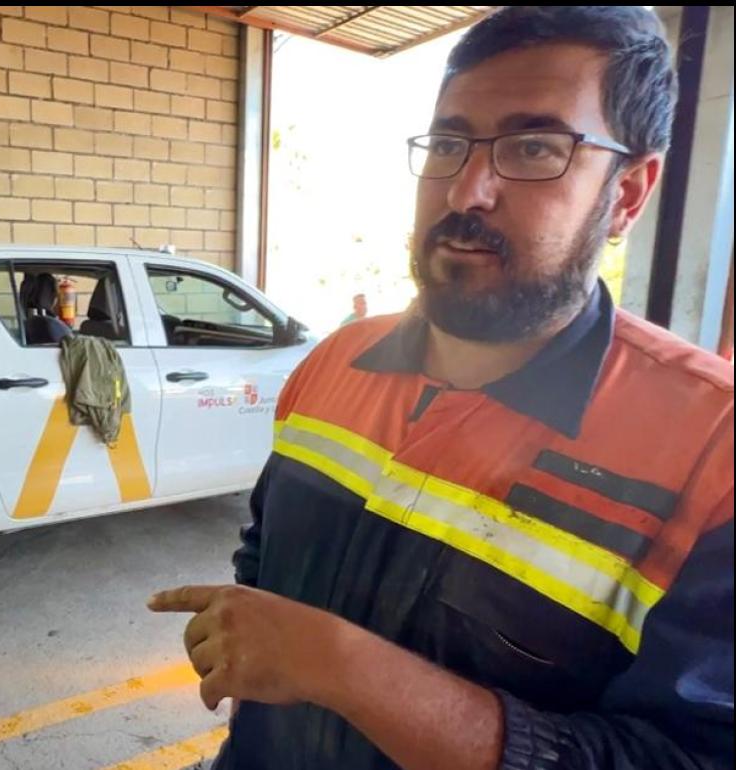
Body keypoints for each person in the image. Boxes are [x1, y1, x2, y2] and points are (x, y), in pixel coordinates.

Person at [151, 7, 733, 769]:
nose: (467, 192)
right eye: (450, 143)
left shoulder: (711, 453)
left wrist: (342, 666)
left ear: (627, 193)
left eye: (534, 147)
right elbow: (265, 553)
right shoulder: (333, 364)